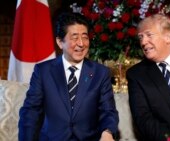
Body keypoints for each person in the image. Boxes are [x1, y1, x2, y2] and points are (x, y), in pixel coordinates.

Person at [18, 12, 119, 141]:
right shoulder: (43, 71)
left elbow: (108, 111)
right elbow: (31, 112)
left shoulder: (101, 73)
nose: (81, 44)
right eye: (75, 37)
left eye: (85, 37)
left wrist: (107, 132)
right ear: (60, 42)